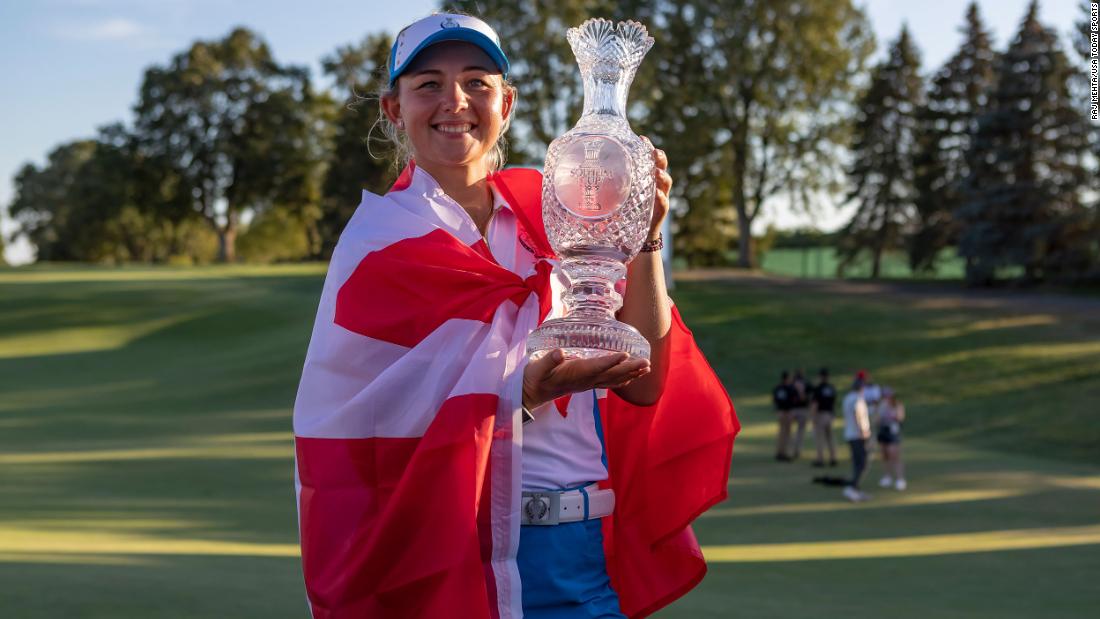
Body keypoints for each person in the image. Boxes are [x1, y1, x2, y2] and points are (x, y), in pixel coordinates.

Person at [291, 13, 739, 619]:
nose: (456, 101)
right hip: (450, 551)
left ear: (508, 102)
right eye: (428, 84)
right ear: (393, 108)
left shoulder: (556, 208)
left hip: (576, 557)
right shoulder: (376, 245)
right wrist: (519, 392)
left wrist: (646, 238)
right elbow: (365, 430)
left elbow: (648, 383)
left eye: (477, 81)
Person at [841, 375, 872, 502]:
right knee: (862, 463)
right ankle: (852, 488)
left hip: (850, 434)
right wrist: (863, 431)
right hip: (858, 435)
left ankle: (855, 489)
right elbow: (857, 414)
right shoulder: (858, 399)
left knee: (857, 462)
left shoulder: (848, 398)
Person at [876, 387, 908, 490]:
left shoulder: (897, 405)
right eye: (885, 396)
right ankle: (887, 477)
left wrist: (891, 414)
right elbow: (877, 420)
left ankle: (900, 479)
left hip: (893, 432)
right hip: (883, 432)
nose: (886, 398)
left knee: (894, 455)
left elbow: (900, 417)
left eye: (888, 396)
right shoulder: (881, 406)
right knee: (885, 455)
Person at [810, 367, 838, 467]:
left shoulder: (818, 389)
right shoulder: (831, 388)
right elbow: (833, 403)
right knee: (830, 437)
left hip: (821, 414)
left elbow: (815, 404)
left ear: (820, 377)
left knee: (820, 438)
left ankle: (820, 459)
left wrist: (813, 417)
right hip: (829, 414)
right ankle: (833, 458)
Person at [788, 368, 811, 460]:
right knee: (800, 432)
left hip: (793, 410)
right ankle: (797, 450)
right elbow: (806, 398)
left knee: (791, 432)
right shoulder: (805, 384)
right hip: (802, 409)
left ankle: (792, 450)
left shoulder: (791, 384)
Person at [772, 370, 794, 461]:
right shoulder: (790, 388)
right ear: (787, 378)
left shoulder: (778, 388)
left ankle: (779, 451)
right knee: (787, 433)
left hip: (780, 412)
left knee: (781, 433)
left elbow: (775, 400)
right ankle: (785, 452)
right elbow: (794, 400)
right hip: (787, 412)